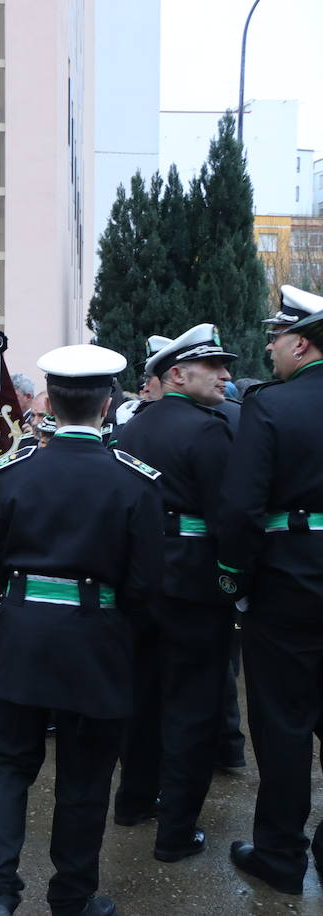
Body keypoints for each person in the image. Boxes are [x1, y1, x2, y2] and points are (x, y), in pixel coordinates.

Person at [0, 344, 163, 916]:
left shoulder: (13, 474)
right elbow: (145, 582)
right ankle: (72, 897)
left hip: (26, 634)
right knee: (85, 774)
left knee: (8, 765)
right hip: (97, 638)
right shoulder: (136, 481)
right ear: (108, 404)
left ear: (50, 402)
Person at [111, 323, 237, 864]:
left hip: (139, 579)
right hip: (192, 584)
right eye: (214, 369)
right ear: (177, 374)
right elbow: (229, 515)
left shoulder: (131, 429)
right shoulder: (209, 431)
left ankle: (133, 800)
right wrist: (238, 578)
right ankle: (176, 831)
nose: (226, 377)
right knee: (192, 705)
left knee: (141, 696)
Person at [217, 286, 323, 895]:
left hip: (289, 581)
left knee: (283, 723)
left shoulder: (270, 405)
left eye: (277, 336)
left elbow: (240, 507)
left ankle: (281, 852)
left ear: (301, 342)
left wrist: (235, 576)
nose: (270, 346)